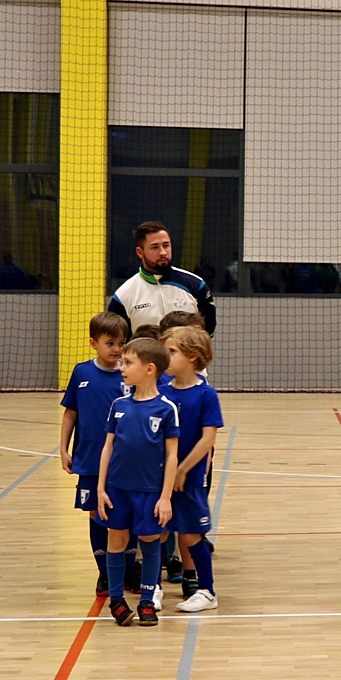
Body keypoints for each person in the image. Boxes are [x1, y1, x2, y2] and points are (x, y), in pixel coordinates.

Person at [97, 336, 180, 627]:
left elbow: (172, 455)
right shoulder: (118, 405)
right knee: (116, 539)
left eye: (128, 362)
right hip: (117, 489)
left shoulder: (166, 409)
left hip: (149, 491)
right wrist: (101, 488)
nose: (122, 367)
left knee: (150, 541)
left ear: (149, 369)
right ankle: (116, 600)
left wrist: (165, 497)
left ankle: (147, 600)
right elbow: (108, 448)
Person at [60, 311, 133, 596]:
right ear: (94, 343)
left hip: (124, 461)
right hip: (90, 460)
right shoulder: (82, 373)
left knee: (127, 512)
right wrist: (64, 449)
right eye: (110, 343)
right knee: (96, 514)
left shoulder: (130, 375)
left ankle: (129, 570)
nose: (116, 349)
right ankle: (104, 572)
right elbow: (70, 413)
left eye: (121, 343)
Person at [162, 326, 224, 613]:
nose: (165, 357)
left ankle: (207, 590)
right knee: (156, 532)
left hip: (189, 478)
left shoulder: (205, 394)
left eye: (172, 351)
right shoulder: (161, 393)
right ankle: (153, 588)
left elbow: (208, 438)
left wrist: (183, 470)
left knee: (190, 534)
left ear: (192, 356)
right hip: (160, 478)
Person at [109, 220, 216, 335]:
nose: (163, 252)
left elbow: (208, 332)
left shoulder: (196, 284)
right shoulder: (123, 295)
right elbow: (117, 338)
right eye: (155, 247)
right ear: (140, 252)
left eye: (166, 245)